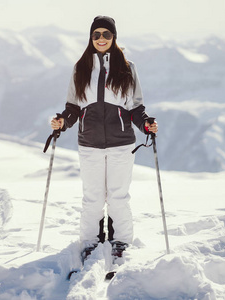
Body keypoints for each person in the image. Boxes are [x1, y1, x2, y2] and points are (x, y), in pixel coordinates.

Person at [50, 16, 158, 260]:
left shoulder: (127, 68)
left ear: (114, 37)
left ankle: (121, 242)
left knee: (118, 196)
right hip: (89, 143)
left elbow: (135, 108)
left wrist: (147, 124)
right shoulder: (81, 67)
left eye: (106, 34)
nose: (100, 39)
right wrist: (63, 122)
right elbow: (73, 107)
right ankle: (90, 242)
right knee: (93, 197)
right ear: (91, 37)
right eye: (96, 34)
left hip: (122, 144)